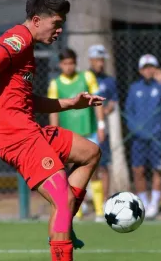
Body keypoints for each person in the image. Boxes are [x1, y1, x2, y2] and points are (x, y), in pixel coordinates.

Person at [0, 0, 104, 260]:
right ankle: (63, 232)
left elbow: (23, 100)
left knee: (90, 152)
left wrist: (69, 103)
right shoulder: (19, 38)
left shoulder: (27, 48)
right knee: (63, 200)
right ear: (36, 20)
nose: (59, 30)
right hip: (16, 137)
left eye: (62, 25)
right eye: (56, 24)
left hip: (30, 130)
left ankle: (63, 224)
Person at [47, 48, 106, 222]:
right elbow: (53, 111)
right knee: (71, 174)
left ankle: (99, 210)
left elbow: (97, 103)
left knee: (94, 171)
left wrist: (101, 125)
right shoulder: (55, 84)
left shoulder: (87, 77)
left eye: (71, 63)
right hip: (69, 137)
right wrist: (53, 133)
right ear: (60, 65)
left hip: (89, 131)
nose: (69, 66)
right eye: (65, 63)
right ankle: (76, 211)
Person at [125, 54, 161, 219]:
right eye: (145, 67)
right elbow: (128, 112)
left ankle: (155, 203)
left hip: (157, 136)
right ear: (140, 70)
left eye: (151, 67)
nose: (148, 70)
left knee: (157, 169)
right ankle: (143, 202)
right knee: (138, 170)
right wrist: (134, 129)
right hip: (139, 137)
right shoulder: (134, 88)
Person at [87, 44, 118, 205]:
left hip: (101, 129)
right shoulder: (84, 78)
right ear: (91, 60)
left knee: (104, 165)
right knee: (85, 165)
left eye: (102, 60)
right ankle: (84, 201)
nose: (100, 63)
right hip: (85, 128)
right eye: (97, 60)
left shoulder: (109, 81)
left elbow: (113, 102)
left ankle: (105, 200)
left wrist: (103, 111)